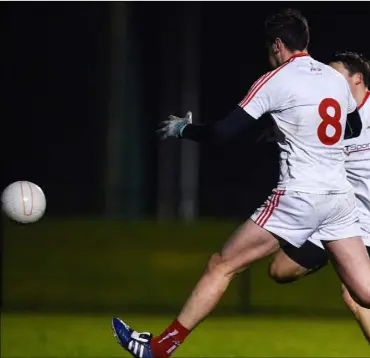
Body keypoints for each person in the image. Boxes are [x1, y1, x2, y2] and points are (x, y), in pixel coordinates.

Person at [111, 9, 370, 358]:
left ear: (278, 44)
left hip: (300, 197)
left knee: (222, 265)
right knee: (365, 292)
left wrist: (183, 129)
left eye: (268, 47)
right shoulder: (332, 79)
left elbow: (222, 134)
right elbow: (351, 129)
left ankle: (159, 348)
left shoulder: (276, 79)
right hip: (339, 199)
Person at [268, 51, 370, 343]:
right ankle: (338, 254)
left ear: (357, 79)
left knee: (354, 295)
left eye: (336, 75)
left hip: (366, 221)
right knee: (280, 270)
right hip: (337, 216)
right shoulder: (330, 114)